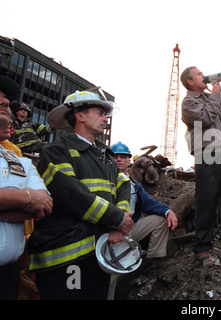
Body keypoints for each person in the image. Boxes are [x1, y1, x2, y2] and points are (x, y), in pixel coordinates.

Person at [28, 89, 133, 300]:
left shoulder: (105, 156)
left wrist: (118, 223)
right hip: (65, 258)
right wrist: (116, 218)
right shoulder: (56, 151)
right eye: (100, 113)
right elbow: (70, 194)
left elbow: (123, 185)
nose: (105, 118)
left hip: (98, 254)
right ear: (80, 115)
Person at [180, 66, 221, 261]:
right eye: (199, 74)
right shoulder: (188, 102)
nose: (204, 75)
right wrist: (215, 96)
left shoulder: (210, 98)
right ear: (190, 81)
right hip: (207, 153)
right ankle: (202, 246)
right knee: (206, 200)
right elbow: (205, 118)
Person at [0, 76, 53, 300]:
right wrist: (27, 200)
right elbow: (33, 202)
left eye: (7, 102)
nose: (6, 104)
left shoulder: (18, 160)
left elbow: (44, 204)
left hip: (6, 277)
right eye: (0, 100)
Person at [111, 141, 178, 269]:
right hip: (109, 233)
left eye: (123, 156)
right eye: (115, 156)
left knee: (161, 220)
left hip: (129, 230)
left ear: (129, 160)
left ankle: (153, 261)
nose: (119, 159)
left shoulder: (134, 184)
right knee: (112, 270)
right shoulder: (104, 181)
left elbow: (149, 203)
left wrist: (168, 211)